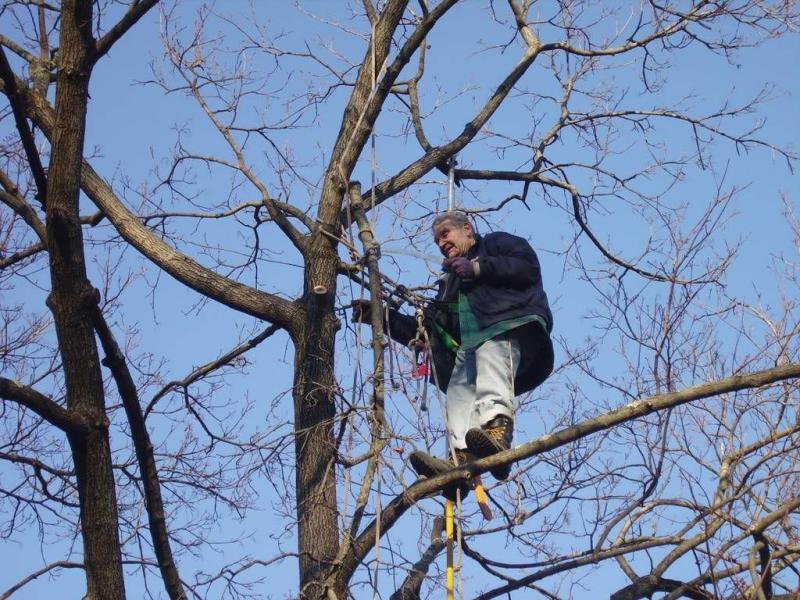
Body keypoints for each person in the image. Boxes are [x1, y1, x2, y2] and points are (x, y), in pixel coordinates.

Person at [353, 211, 553, 490]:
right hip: (470, 341)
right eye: (437, 239)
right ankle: (461, 459)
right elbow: (429, 329)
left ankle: (498, 430)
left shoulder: (496, 244)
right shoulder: (451, 284)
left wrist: (478, 269)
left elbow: (526, 268)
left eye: (445, 234)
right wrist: (381, 316)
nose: (441, 242)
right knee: (458, 391)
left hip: (504, 324)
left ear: (467, 229)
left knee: (491, 356)